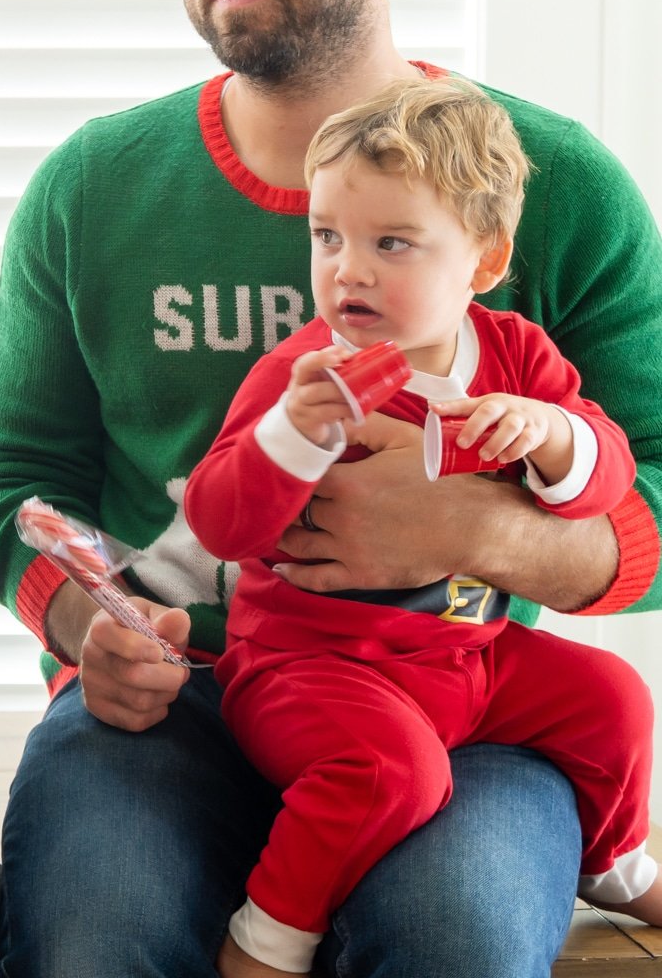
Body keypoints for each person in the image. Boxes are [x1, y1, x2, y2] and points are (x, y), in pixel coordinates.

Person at [0, 0, 662, 975]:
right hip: (170, 702)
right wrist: (89, 622)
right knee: (92, 934)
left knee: (453, 941)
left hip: (462, 690)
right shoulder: (92, 188)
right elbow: (13, 485)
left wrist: (475, 532)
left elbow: (648, 478)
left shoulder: (549, 185)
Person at [182, 76, 658, 976]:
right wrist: (293, 434)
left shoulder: (516, 355)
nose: (346, 270)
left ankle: (616, 863)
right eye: (327, 238)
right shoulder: (305, 374)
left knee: (613, 700)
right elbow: (216, 520)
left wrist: (556, 438)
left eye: (391, 243)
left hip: (466, 658)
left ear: (481, 264)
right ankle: (269, 939)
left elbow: (611, 472)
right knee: (392, 772)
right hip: (311, 669)